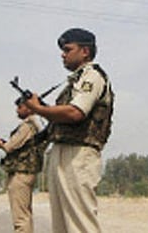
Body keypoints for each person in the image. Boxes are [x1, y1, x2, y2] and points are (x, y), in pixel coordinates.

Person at [23, 28, 114, 233]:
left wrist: (38, 108)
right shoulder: (75, 81)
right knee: (62, 224)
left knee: (80, 223)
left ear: (85, 52)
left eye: (67, 49)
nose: (63, 54)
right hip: (63, 152)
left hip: (79, 155)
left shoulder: (93, 76)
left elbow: (75, 113)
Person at [0, 99, 44, 233]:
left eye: (20, 107)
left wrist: (1, 144)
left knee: (20, 218)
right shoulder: (34, 125)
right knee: (25, 215)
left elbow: (10, 147)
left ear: (30, 108)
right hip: (26, 172)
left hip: (21, 174)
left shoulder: (28, 125)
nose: (17, 110)